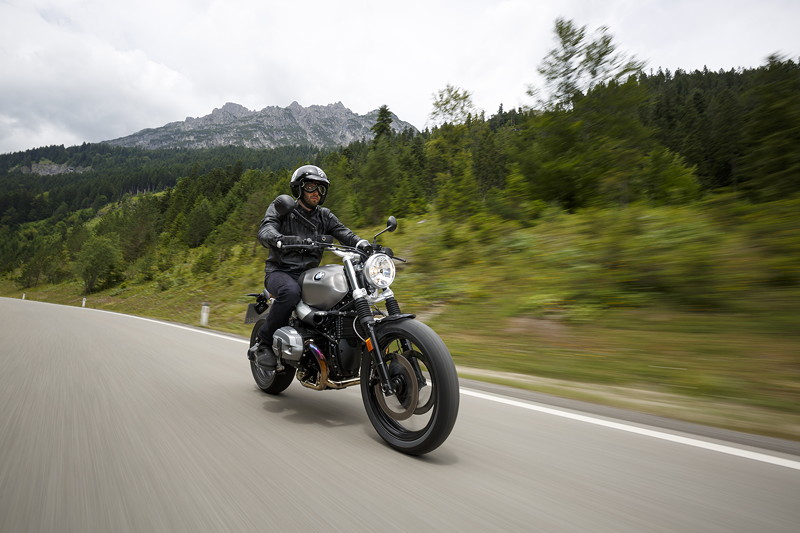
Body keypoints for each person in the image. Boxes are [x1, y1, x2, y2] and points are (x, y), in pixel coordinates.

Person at [250, 165, 369, 370]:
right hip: (280, 272)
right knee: (290, 292)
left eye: (321, 188)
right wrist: (277, 239)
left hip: (308, 274)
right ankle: (263, 344)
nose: (316, 193)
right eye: (311, 187)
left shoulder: (325, 216)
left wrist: (363, 244)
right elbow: (266, 228)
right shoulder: (284, 208)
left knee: (346, 292)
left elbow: (345, 233)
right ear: (299, 188)